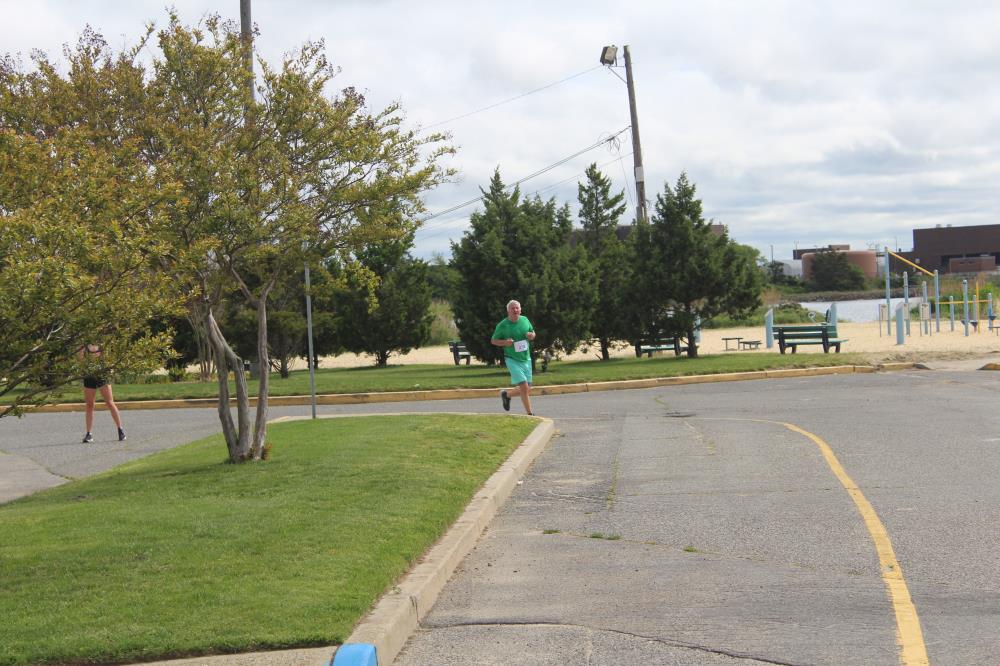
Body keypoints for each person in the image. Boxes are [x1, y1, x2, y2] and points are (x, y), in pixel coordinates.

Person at [491, 300, 536, 415]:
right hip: (512, 359)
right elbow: (493, 341)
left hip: (526, 358)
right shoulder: (503, 325)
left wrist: (531, 335)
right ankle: (530, 414)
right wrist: (505, 343)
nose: (515, 310)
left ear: (520, 310)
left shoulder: (525, 320)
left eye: (517, 308)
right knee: (524, 387)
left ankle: (507, 395)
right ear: (508, 311)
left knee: (528, 388)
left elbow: (533, 333)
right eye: (513, 308)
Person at [79, 343, 126, 443]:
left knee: (110, 402)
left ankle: (120, 430)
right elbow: (81, 361)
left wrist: (110, 369)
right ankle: (89, 434)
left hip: (102, 375)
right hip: (89, 376)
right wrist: (81, 352)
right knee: (89, 405)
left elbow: (109, 359)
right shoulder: (84, 345)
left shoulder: (102, 343)